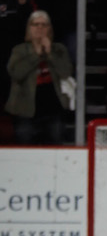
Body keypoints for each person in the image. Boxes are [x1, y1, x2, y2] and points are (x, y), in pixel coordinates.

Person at [5, 10, 72, 145]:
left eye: (44, 24)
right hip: (25, 110)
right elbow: (17, 74)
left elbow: (65, 72)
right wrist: (36, 54)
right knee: (24, 150)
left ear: (50, 28)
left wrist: (49, 54)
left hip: (53, 109)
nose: (40, 28)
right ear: (29, 28)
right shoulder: (19, 50)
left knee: (56, 150)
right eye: (35, 24)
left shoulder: (59, 49)